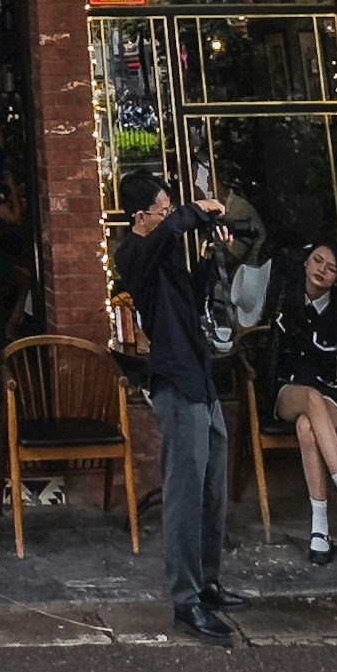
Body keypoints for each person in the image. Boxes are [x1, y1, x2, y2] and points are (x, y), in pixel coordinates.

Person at [116, 166, 235, 640]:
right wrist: (190, 212)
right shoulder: (133, 253)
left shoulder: (163, 252)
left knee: (212, 488)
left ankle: (208, 581)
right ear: (141, 216)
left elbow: (191, 298)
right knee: (184, 495)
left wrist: (211, 257)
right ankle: (185, 601)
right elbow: (166, 235)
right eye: (162, 210)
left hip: (200, 375)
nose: (168, 217)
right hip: (175, 380)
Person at [265, 241, 337, 560]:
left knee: (307, 428)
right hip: (290, 391)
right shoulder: (284, 300)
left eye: (330, 268)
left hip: (331, 394)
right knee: (309, 401)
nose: (321, 270)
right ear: (305, 263)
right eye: (317, 261)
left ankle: (320, 528)